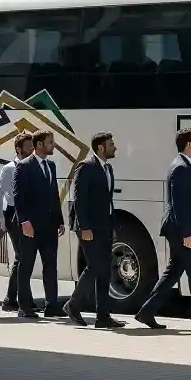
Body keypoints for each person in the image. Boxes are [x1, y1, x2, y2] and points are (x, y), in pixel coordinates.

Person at [134, 128, 191, 331]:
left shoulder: (184, 165)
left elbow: (188, 201)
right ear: (189, 145)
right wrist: (186, 233)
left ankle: (147, 312)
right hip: (181, 230)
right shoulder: (180, 168)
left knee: (174, 272)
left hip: (180, 228)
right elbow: (179, 204)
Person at [66, 131, 125, 329]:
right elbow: (80, 198)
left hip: (104, 225)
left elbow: (107, 200)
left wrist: (111, 225)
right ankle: (73, 305)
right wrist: (84, 227)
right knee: (96, 265)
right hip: (89, 227)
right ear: (101, 147)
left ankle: (103, 316)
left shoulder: (108, 168)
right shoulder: (86, 166)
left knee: (104, 270)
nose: (115, 148)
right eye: (111, 144)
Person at [12, 130, 66, 318]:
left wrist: (59, 219)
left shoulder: (51, 165)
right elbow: (18, 196)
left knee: (50, 265)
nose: (53, 145)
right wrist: (24, 221)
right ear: (40, 144)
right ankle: (24, 306)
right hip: (30, 226)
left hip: (49, 225)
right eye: (50, 142)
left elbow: (53, 194)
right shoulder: (24, 166)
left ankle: (52, 305)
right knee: (26, 265)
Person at [0, 133, 37, 313]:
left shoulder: (32, 166)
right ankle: (14, 299)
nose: (32, 149)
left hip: (28, 214)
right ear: (19, 149)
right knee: (22, 257)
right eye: (28, 146)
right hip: (13, 215)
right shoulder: (9, 168)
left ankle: (16, 298)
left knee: (25, 258)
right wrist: (1, 220)